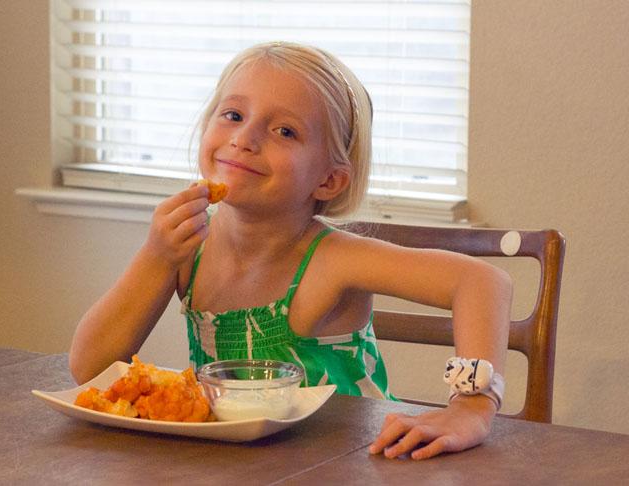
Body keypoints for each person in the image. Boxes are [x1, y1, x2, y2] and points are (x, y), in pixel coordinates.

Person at [69, 41, 512, 460]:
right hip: (226, 465)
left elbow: (481, 280)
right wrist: (155, 256)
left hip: (348, 462)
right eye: (233, 114)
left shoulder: (332, 260)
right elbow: (88, 368)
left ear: (329, 180)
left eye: (284, 130)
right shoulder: (186, 251)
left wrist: (472, 406)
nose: (244, 137)